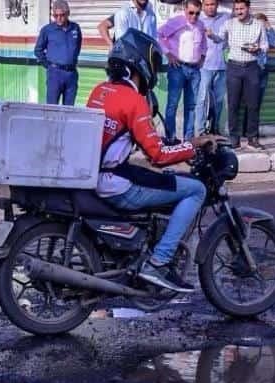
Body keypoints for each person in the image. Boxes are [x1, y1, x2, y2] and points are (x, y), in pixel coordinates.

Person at [86, 29, 217, 293]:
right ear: (141, 64)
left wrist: (176, 145)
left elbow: (146, 144)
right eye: (154, 65)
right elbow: (157, 156)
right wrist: (191, 147)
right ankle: (158, 262)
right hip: (114, 183)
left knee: (154, 179)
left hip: (96, 174)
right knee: (195, 189)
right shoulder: (133, 100)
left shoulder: (100, 91)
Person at [207, 0, 268, 150]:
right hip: (233, 67)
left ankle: (252, 139)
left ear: (248, 8)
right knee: (233, 104)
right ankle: (234, 140)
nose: (239, 11)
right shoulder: (229, 23)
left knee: (253, 105)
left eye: (242, 8)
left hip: (252, 67)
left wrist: (258, 48)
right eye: (236, 9)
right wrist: (211, 35)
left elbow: (265, 45)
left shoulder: (258, 24)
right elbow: (219, 39)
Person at [158, 0, 207, 142]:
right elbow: (159, 35)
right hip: (177, 69)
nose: (194, 16)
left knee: (191, 106)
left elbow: (204, 43)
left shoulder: (201, 25)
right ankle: (170, 138)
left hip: (194, 70)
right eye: (191, 12)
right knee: (172, 105)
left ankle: (188, 139)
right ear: (185, 9)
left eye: (197, 13)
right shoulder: (176, 21)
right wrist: (168, 54)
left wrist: (202, 57)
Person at [34, 0, 82, 105]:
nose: (58, 18)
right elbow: (38, 50)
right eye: (56, 16)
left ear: (68, 13)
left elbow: (77, 47)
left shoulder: (75, 28)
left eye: (62, 15)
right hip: (55, 74)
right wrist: (49, 66)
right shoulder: (47, 30)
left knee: (69, 109)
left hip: (71, 74)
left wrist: (71, 60)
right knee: (52, 108)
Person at [242, 13, 275, 139]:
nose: (261, 25)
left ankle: (253, 132)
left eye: (263, 23)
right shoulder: (251, 34)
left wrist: (269, 27)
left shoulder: (267, 35)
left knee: (257, 103)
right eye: (259, 22)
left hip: (263, 71)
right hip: (251, 70)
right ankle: (246, 131)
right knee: (250, 102)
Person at [195, 0, 230, 136]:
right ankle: (200, 131)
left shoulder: (226, 18)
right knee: (202, 99)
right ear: (203, 6)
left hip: (222, 66)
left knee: (219, 100)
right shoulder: (198, 20)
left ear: (217, 5)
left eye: (213, 4)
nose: (210, 7)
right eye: (207, 4)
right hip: (204, 66)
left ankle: (214, 129)